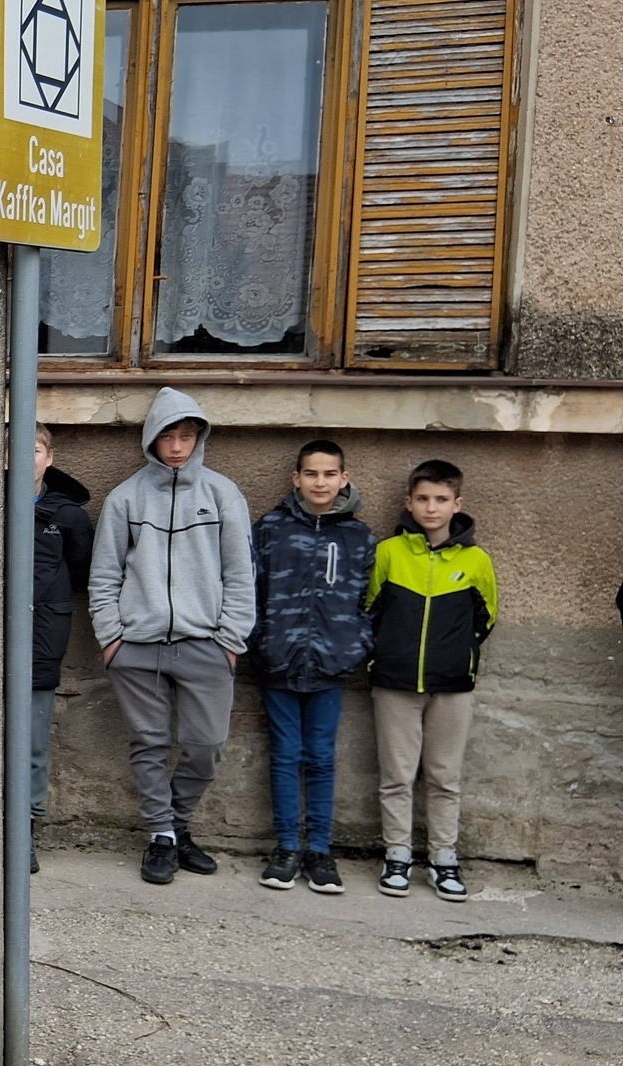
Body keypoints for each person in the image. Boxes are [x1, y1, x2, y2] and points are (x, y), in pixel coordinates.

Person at [87, 387, 255, 885]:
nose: (177, 447)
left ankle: (178, 826)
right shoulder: (125, 498)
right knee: (149, 744)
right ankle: (162, 835)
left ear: (199, 438)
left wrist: (230, 641)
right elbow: (104, 575)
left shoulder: (222, 494)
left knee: (207, 745)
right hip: (137, 647)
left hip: (207, 645)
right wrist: (112, 639)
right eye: (167, 437)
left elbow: (240, 574)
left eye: (186, 436)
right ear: (151, 440)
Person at [365, 460, 499, 903]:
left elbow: (486, 617)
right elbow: (370, 608)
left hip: (452, 686)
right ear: (408, 502)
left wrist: (455, 656)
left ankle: (444, 858)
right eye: (422, 498)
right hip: (394, 683)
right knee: (397, 776)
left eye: (441, 499)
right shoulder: (389, 552)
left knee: (445, 776)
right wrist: (388, 652)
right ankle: (397, 855)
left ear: (457, 504)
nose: (431, 507)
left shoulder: (476, 560)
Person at [252, 439, 375, 894]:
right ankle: (287, 847)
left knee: (321, 757)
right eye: (311, 474)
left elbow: (371, 600)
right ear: (296, 479)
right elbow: (251, 588)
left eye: (329, 474)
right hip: (278, 660)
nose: (320, 482)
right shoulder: (271, 529)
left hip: (331, 663)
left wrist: (356, 645)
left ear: (344, 478)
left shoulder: (358, 537)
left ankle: (320, 851)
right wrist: (259, 642)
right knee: (285, 755)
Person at [30, 424, 95, 869]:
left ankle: (25, 828)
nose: (25, 457)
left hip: (42, 636)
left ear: (49, 457)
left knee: (33, 741)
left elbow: (81, 573)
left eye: (35, 449)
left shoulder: (68, 516)